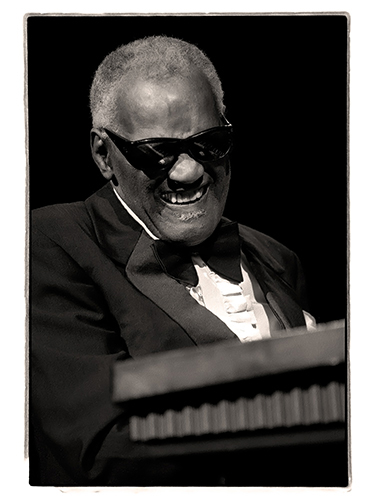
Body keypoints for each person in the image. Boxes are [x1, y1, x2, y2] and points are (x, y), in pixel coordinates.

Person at [30, 36, 316, 486]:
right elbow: (102, 448)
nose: (188, 171)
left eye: (210, 143)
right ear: (104, 155)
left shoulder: (277, 257)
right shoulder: (52, 241)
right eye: (156, 151)